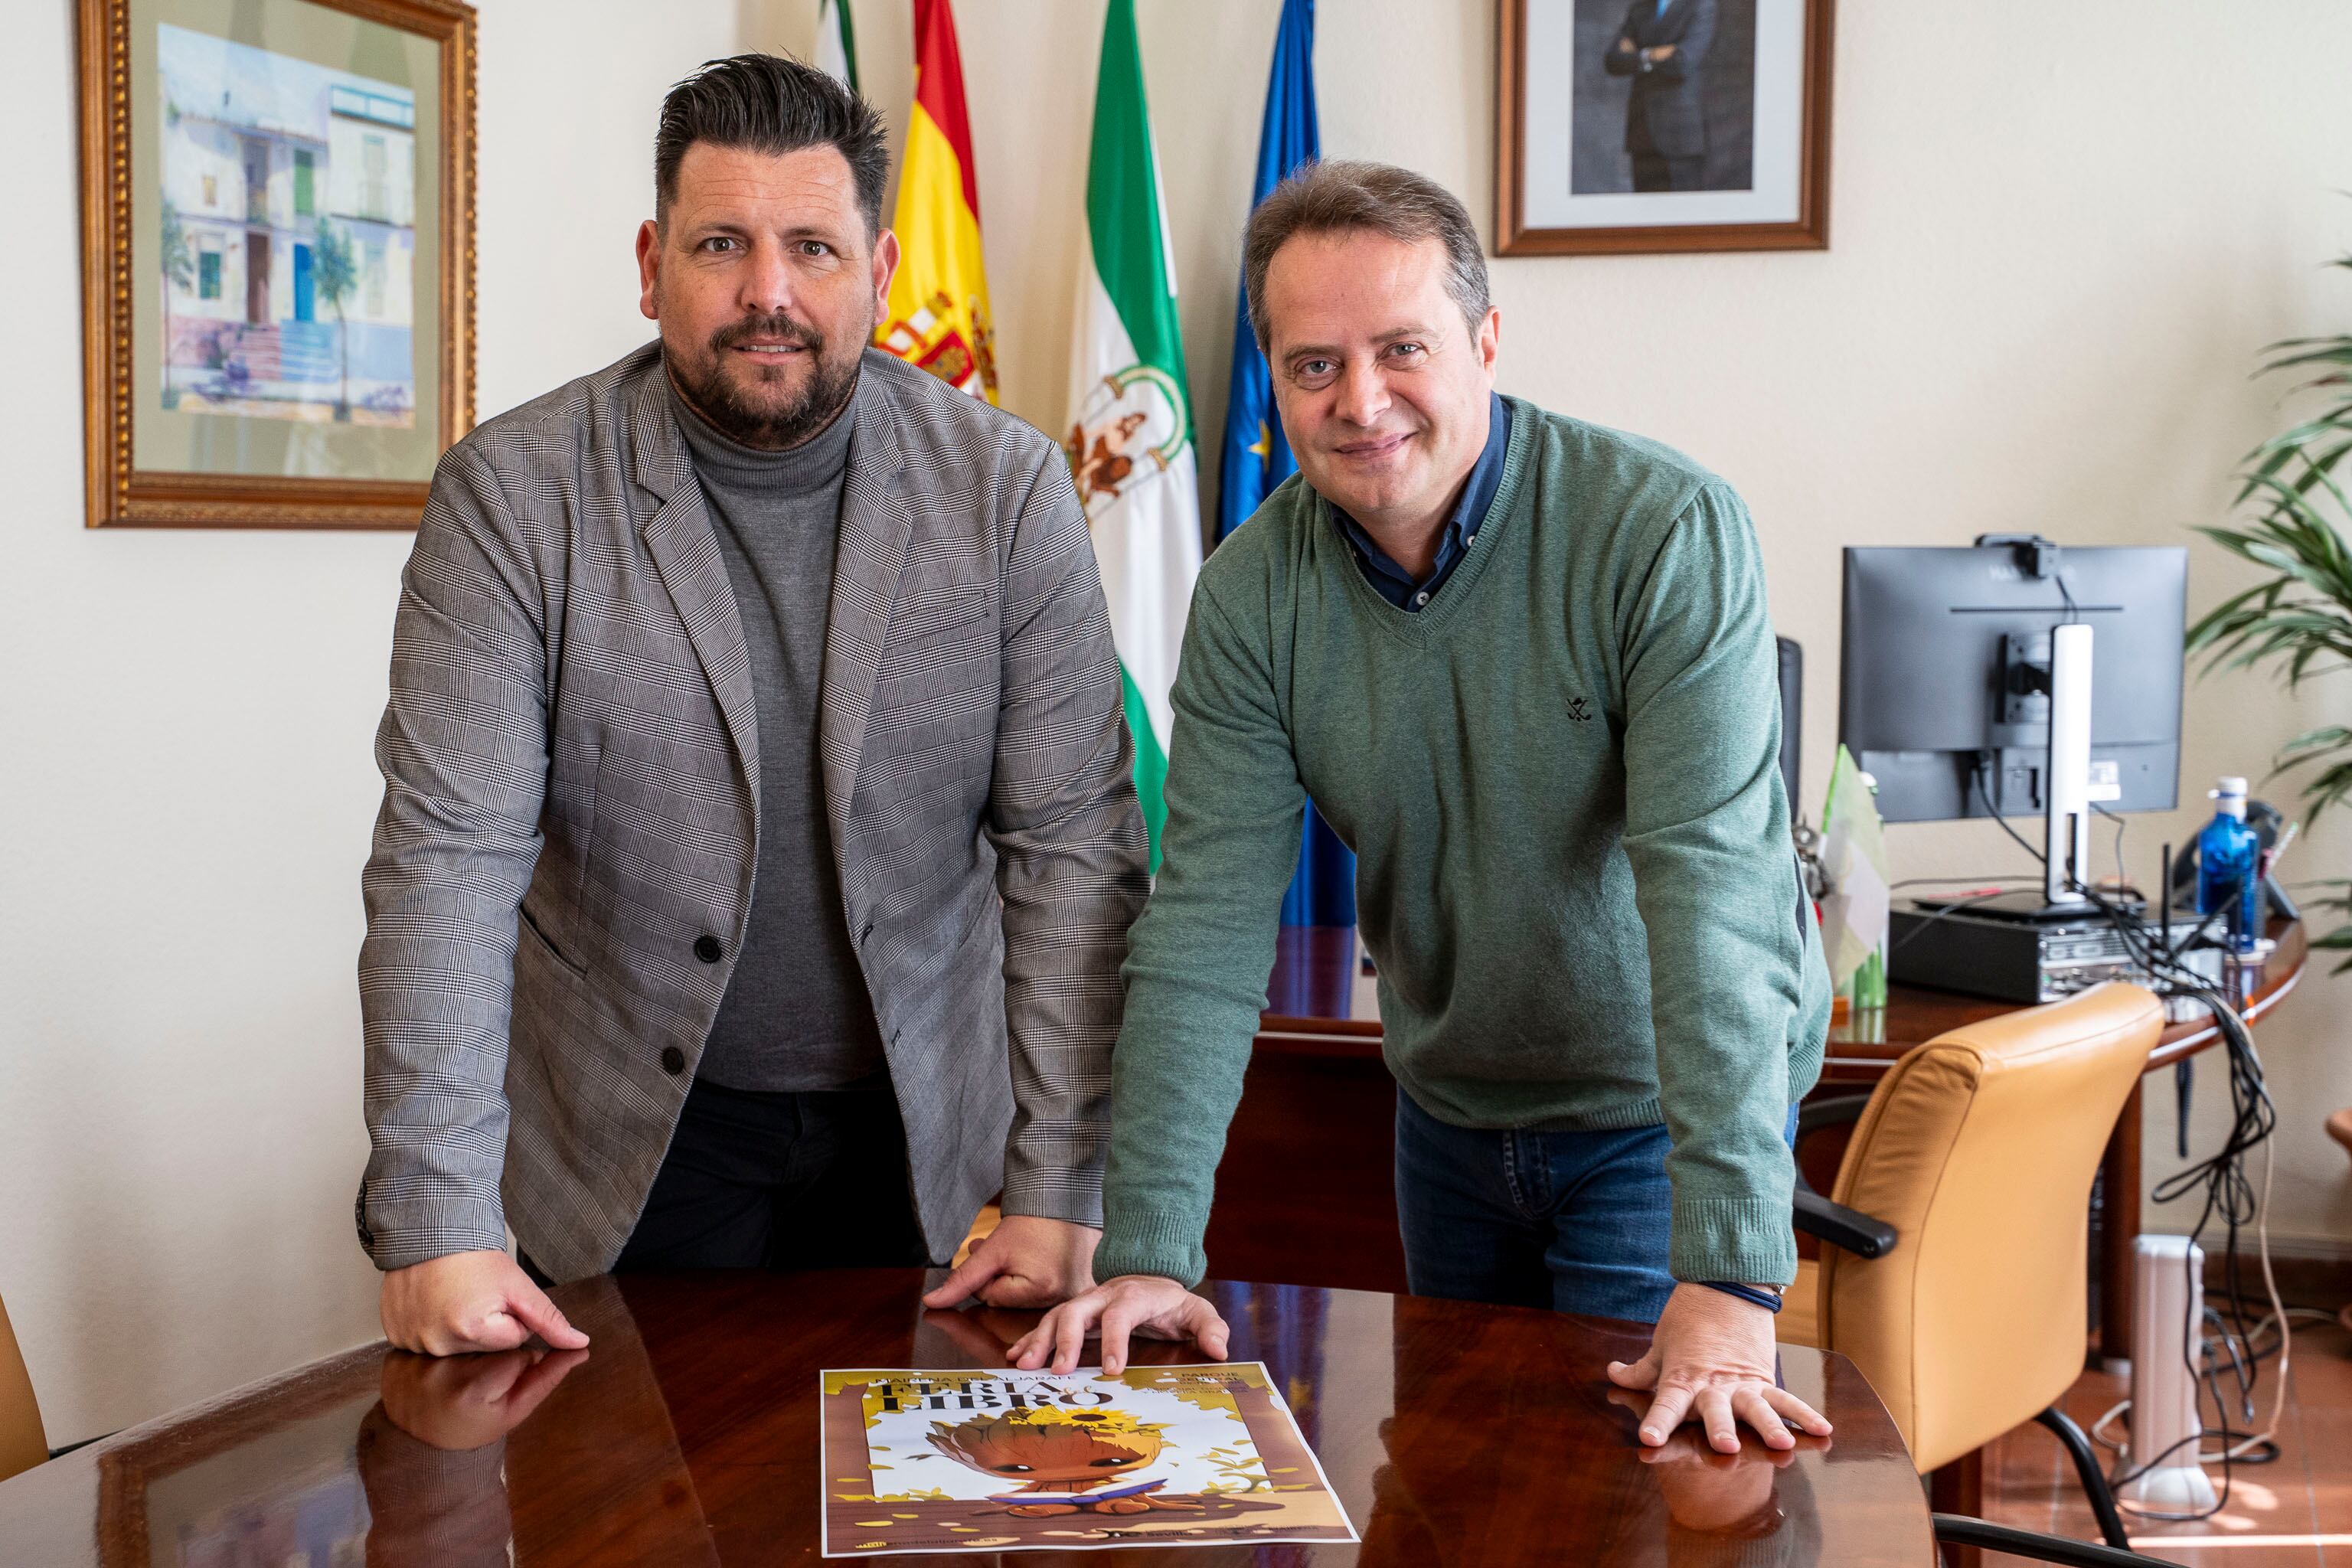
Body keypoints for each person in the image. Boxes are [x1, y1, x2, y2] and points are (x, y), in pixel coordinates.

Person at [1011, 160, 1833, 1455]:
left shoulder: (1662, 530)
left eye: (1402, 348)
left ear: (1485, 342)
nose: (1361, 401)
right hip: (1448, 1112)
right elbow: (1205, 929)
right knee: (1451, 1484)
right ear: (1272, 383)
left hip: (1658, 1113)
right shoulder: (1248, 595)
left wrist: (1732, 1272)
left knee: (1635, 1495)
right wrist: (1153, 1247)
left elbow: (1715, 902)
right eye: (1313, 365)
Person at [358, 54, 1148, 1355]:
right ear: (651, 259)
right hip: (621, 1143)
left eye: (812, 249)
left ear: (883, 271)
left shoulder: (1006, 492)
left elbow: (1072, 854)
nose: (767, 292)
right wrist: (438, 1211)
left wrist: (1064, 1179)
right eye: (721, 242)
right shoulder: (513, 495)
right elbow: (449, 858)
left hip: (920, 1140)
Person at [1604, 0, 1719, 193]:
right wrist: (1652, 55)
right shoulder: (1640, 7)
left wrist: (1638, 55)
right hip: (1641, 133)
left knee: (1684, 214)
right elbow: (1613, 61)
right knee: (1644, 216)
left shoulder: (1701, 5)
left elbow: (1683, 62)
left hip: (1681, 134)